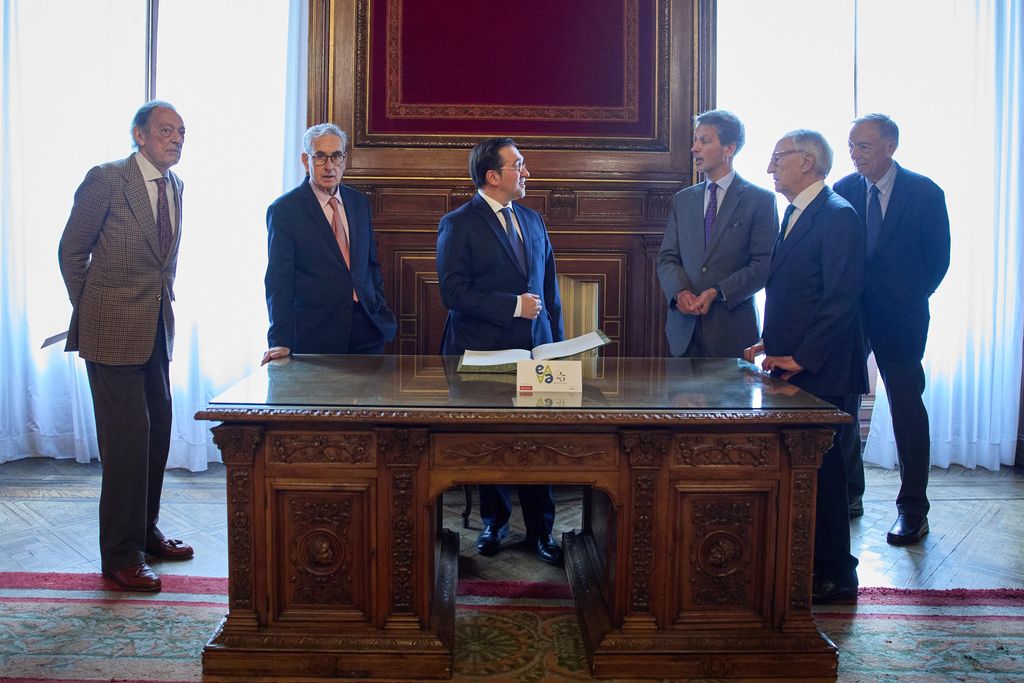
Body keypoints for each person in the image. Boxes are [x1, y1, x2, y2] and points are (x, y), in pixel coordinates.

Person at [58, 101, 192, 592]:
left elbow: (163, 263)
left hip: (155, 329)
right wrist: (93, 308)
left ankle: (144, 532)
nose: (176, 139)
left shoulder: (176, 185)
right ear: (139, 135)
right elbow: (71, 251)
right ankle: (119, 555)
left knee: (157, 434)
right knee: (127, 444)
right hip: (110, 332)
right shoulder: (107, 179)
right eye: (166, 130)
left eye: (181, 132)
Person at [744, 130, 867, 603]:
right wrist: (770, 342)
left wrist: (803, 356)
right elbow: (797, 292)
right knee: (804, 473)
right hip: (794, 363)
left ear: (808, 162)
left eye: (778, 158)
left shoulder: (838, 216)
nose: (770, 167)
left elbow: (841, 298)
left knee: (828, 476)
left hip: (824, 369)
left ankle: (837, 574)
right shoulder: (795, 213)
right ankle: (806, 563)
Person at [436, 137, 565, 566]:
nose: (526, 172)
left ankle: (543, 531)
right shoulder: (458, 223)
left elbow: (549, 290)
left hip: (536, 352)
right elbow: (453, 292)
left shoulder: (532, 219)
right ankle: (495, 523)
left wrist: (555, 346)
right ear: (493, 176)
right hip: (483, 352)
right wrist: (513, 306)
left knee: (539, 442)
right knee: (489, 441)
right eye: (518, 165)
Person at [833, 114, 950, 545]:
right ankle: (850, 494)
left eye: (863, 146)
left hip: (901, 317)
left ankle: (913, 509)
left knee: (905, 406)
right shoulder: (843, 189)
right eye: (851, 145)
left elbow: (938, 260)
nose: (854, 154)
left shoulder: (924, 192)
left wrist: (908, 295)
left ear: (890, 147)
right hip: (850, 315)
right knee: (842, 402)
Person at [263, 123, 396, 363]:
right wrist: (279, 340)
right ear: (306, 161)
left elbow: (370, 264)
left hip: (367, 328)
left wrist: (378, 305)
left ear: (344, 160)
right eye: (320, 157)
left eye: (336, 156)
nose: (329, 166)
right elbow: (278, 281)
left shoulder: (359, 203)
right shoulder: (285, 210)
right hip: (316, 334)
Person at [657, 109, 779, 357]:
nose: (694, 148)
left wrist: (717, 292)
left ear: (729, 148)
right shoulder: (683, 200)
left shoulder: (760, 200)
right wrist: (680, 292)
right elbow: (667, 257)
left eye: (704, 141)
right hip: (684, 332)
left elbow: (764, 264)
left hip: (732, 331)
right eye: (695, 140)